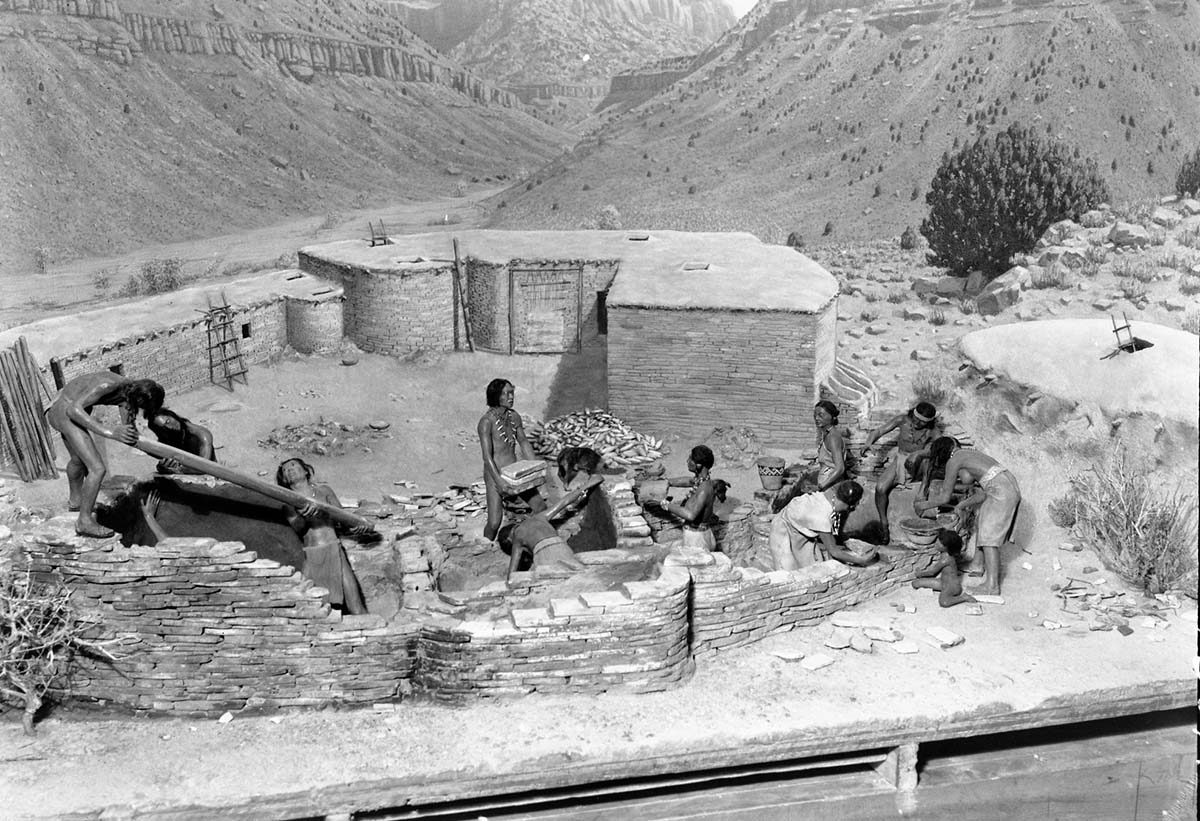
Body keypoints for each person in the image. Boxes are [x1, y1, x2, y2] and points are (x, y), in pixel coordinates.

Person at [46, 372, 164, 537]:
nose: (138, 412)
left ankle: (76, 502)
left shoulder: (128, 394)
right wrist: (111, 432)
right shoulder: (108, 385)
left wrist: (162, 456)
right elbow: (74, 410)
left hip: (70, 409)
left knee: (78, 460)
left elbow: (130, 435)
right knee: (97, 468)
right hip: (66, 411)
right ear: (139, 398)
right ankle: (84, 522)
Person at [915, 437, 1020, 596]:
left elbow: (945, 497)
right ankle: (977, 565)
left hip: (1001, 491)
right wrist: (961, 505)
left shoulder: (954, 460)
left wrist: (923, 505)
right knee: (981, 523)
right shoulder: (969, 454)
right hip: (1008, 487)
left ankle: (992, 587)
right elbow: (982, 492)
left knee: (990, 539)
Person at [277, 458, 370, 615]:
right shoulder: (288, 501)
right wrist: (303, 516)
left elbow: (344, 517)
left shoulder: (324, 491)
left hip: (334, 548)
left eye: (293, 465)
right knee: (310, 607)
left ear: (306, 470)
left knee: (355, 605)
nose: (290, 470)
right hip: (312, 554)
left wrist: (357, 526)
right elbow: (298, 528)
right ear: (285, 479)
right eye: (285, 470)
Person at [859, 402, 941, 544]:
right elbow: (878, 431)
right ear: (912, 415)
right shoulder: (902, 420)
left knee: (928, 461)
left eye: (922, 423)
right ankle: (884, 524)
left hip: (919, 464)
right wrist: (868, 442)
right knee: (880, 488)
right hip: (901, 460)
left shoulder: (933, 431)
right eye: (916, 420)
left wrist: (919, 453)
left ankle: (922, 492)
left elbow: (940, 448)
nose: (918, 424)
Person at [500, 467, 603, 579]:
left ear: (509, 538)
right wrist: (588, 484)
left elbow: (512, 575)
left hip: (543, 555)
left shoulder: (517, 538)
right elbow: (565, 501)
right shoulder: (539, 517)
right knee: (578, 576)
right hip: (562, 547)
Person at [477, 378, 545, 541]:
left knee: (540, 508)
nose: (511, 397)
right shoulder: (486, 422)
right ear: (496, 396)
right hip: (495, 475)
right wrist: (499, 482)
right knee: (494, 522)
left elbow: (523, 442)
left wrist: (535, 468)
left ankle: (532, 539)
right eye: (507, 394)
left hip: (516, 472)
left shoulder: (514, 417)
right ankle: (484, 545)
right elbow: (487, 457)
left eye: (512, 393)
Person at [769, 480, 877, 570]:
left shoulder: (831, 495)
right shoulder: (822, 518)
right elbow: (833, 551)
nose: (857, 507)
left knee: (812, 566)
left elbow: (832, 527)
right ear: (850, 505)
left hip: (799, 529)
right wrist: (861, 560)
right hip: (782, 530)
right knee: (788, 572)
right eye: (856, 504)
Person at [772, 401, 848, 513]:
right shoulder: (826, 433)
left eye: (821, 415)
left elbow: (840, 468)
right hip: (825, 485)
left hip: (831, 489)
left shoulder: (833, 438)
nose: (817, 418)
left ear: (832, 417)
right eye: (815, 415)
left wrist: (820, 487)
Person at [647, 445, 718, 551]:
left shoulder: (703, 490)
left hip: (697, 540)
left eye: (690, 459)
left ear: (698, 465)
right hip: (698, 535)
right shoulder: (702, 480)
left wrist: (664, 504)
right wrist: (666, 482)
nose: (687, 461)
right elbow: (688, 481)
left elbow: (690, 515)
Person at [911, 529, 977, 608]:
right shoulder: (944, 554)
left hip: (952, 587)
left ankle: (964, 597)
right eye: (937, 541)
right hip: (943, 582)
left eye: (940, 544)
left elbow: (932, 572)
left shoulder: (946, 559)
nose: (936, 544)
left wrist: (920, 573)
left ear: (947, 547)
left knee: (944, 602)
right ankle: (942, 589)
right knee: (915, 583)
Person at [147, 408, 216, 474]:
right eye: (163, 428)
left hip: (210, 473)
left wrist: (178, 469)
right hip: (186, 470)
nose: (170, 427)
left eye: (168, 421)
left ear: (172, 415)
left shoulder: (201, 435)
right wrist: (162, 466)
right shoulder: (169, 436)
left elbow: (205, 467)